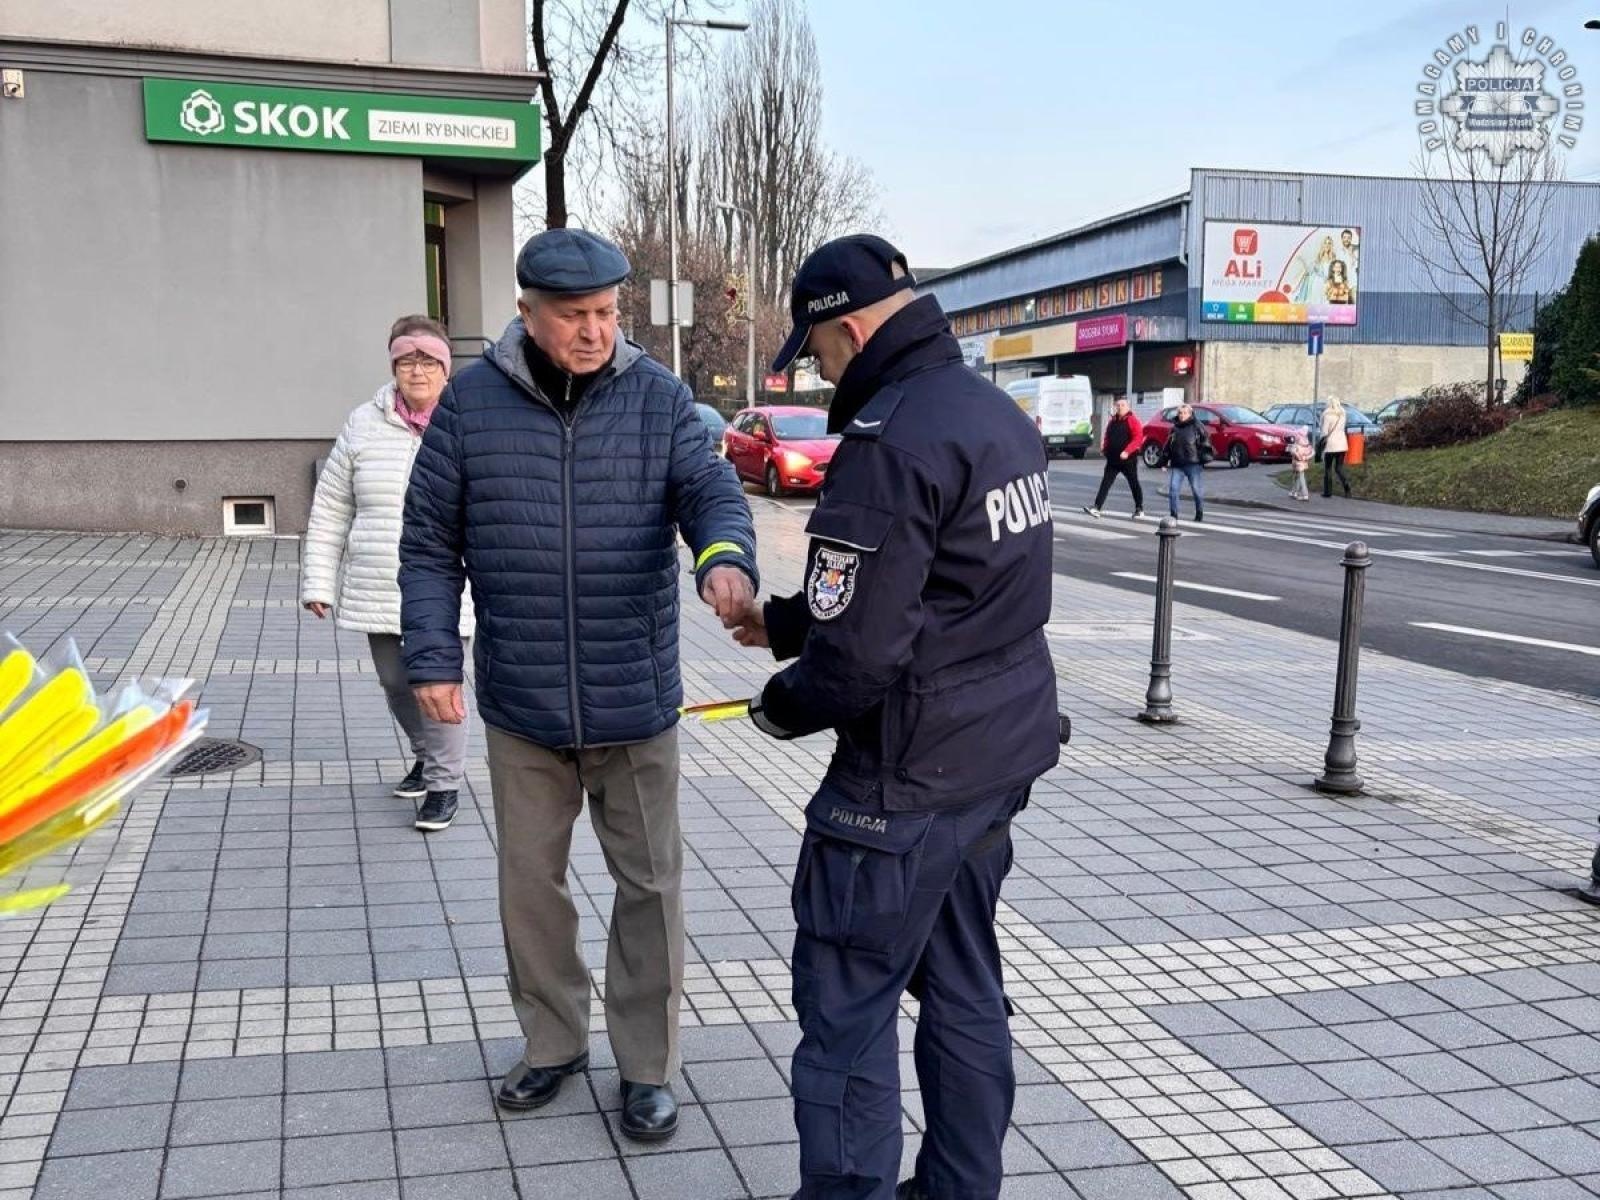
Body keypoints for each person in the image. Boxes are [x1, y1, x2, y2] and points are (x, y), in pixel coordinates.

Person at [398, 228, 758, 1142]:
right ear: (527, 314)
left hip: (634, 695)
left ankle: (648, 1065)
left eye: (606, 312)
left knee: (651, 886)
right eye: (574, 316)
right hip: (522, 702)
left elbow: (711, 493)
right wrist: (434, 658)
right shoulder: (470, 405)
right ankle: (553, 1043)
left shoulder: (659, 397)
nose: (596, 331)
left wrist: (723, 561)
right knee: (531, 886)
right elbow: (430, 546)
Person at [729, 235, 1061, 1200]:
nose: (820, 365)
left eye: (818, 346)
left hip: (905, 781)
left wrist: (780, 704)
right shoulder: (992, 414)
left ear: (849, 325)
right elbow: (938, 589)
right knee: (962, 989)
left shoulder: (887, 437)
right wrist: (784, 622)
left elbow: (860, 656)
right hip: (996, 757)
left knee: (845, 1006)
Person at [301, 315, 473, 832]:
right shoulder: (363, 423)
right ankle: (425, 755)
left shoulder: (467, 420)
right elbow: (332, 507)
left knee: (437, 679)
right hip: (380, 580)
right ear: (393, 365)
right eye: (406, 360)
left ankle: (444, 785)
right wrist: (317, 581)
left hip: (447, 583)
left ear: (445, 368)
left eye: (427, 361)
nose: (416, 371)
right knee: (396, 682)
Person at [1083, 396, 1145, 519]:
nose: (1120, 407)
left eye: (1122, 405)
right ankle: (1097, 507)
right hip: (1113, 459)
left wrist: (1127, 451)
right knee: (1105, 483)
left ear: (1128, 407)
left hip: (1128, 460)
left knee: (1134, 483)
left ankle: (1139, 508)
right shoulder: (1113, 421)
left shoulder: (1132, 420)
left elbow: (1138, 438)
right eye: (1118, 405)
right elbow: (1107, 435)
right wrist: (1104, 447)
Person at [1162, 403, 1212, 521]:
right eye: (1180, 413)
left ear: (1190, 414)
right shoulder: (1174, 428)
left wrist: (1204, 458)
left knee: (1196, 490)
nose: (1182, 415)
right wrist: (1164, 461)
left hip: (1193, 464)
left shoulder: (1197, 426)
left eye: (1185, 413)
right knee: (1173, 490)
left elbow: (1205, 442)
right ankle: (1173, 515)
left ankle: (1199, 512)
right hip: (1177, 464)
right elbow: (1168, 445)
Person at [1320, 396, 1352, 497]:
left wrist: (1321, 442)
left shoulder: (1327, 415)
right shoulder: (1343, 414)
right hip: (1342, 444)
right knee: (1339, 468)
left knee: (1328, 468)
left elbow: (1325, 432)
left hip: (1331, 445)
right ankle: (1347, 489)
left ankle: (1327, 492)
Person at [1288, 426, 1314, 501]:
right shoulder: (1307, 443)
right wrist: (1306, 457)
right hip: (1304, 463)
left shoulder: (1297, 443)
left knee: (1300, 477)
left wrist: (1297, 455)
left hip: (1297, 462)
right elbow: (1312, 452)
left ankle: (1305, 494)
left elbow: (1292, 451)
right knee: (1299, 477)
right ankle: (1294, 492)